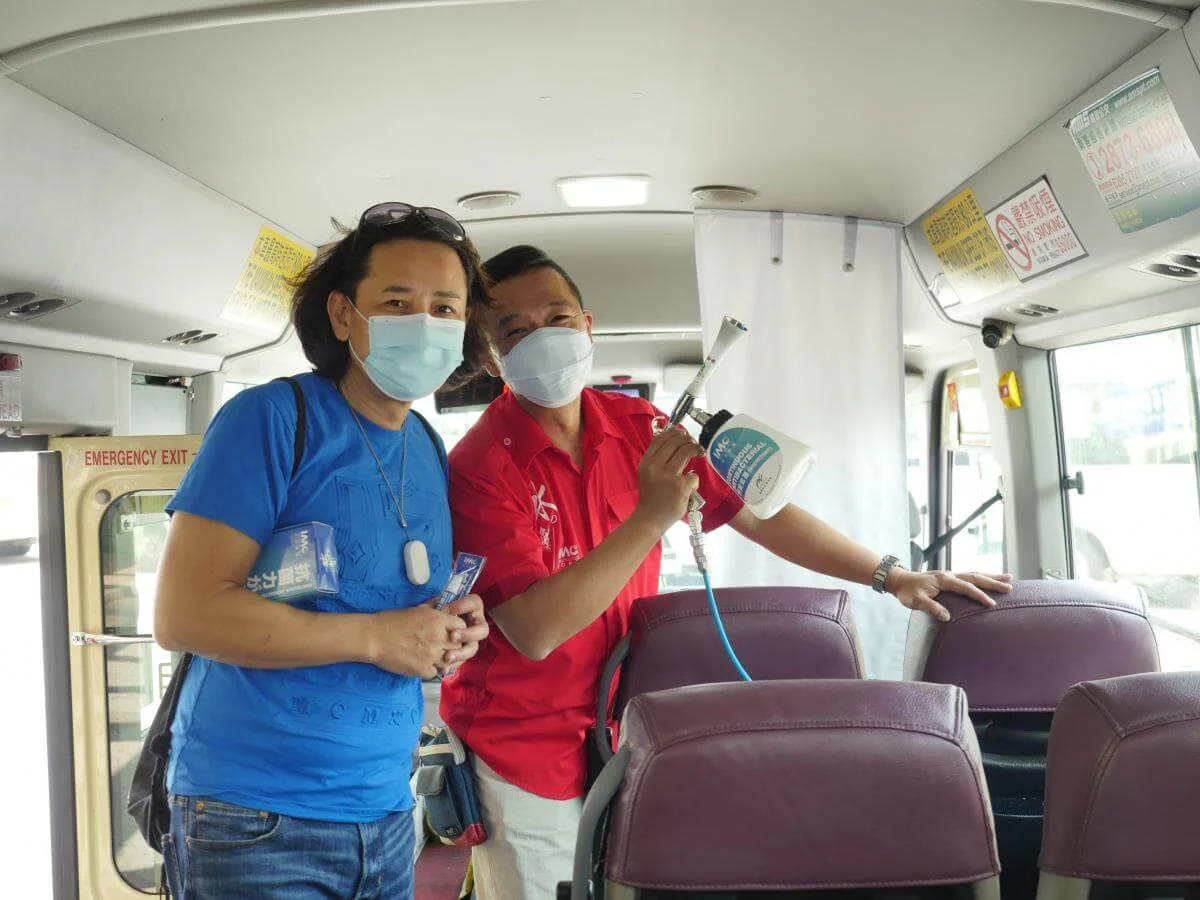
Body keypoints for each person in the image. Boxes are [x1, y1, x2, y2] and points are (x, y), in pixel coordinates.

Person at [439, 244, 1013, 900]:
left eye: (559, 318)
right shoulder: (478, 467)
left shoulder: (639, 428)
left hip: (622, 720)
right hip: (520, 740)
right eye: (514, 329)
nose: (543, 337)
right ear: (491, 358)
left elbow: (760, 516)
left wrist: (892, 575)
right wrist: (650, 518)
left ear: (588, 326)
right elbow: (536, 630)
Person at [153, 203, 490, 900]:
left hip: (385, 806)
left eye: (444, 308)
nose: (424, 324)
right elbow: (185, 615)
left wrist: (450, 626)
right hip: (253, 813)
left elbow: (395, 604)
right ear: (343, 315)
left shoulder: (428, 446)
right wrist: (374, 637)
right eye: (397, 303)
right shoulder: (273, 419)